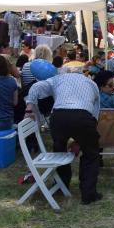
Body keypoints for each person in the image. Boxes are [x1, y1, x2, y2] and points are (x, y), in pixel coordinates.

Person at [25, 70, 103, 204]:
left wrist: (29, 108)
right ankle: (88, 194)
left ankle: (61, 186)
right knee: (91, 154)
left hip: (59, 117)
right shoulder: (92, 83)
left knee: (59, 150)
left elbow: (35, 87)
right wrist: (81, 141)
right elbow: (95, 114)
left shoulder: (57, 79)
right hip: (83, 117)